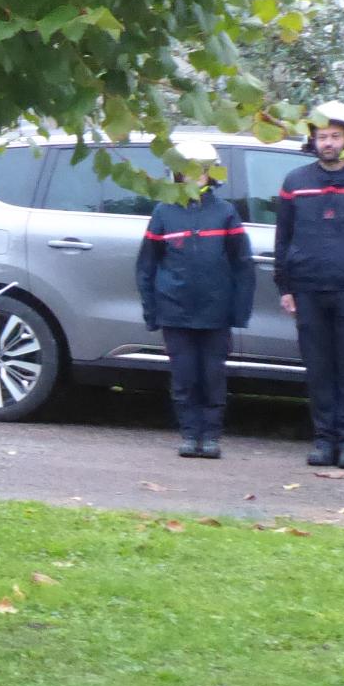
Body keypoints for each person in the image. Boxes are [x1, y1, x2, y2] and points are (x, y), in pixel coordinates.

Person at [135, 136, 255, 460]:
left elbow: (243, 266)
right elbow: (146, 266)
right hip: (175, 311)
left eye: (199, 171)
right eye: (185, 171)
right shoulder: (163, 212)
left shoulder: (226, 213)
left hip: (215, 313)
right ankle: (189, 434)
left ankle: (211, 435)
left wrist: (239, 311)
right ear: (175, 174)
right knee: (184, 376)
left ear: (210, 173)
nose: (192, 177)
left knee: (213, 376)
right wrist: (152, 311)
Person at [274, 100, 344, 469]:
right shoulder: (296, 182)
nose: (327, 143)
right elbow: (284, 237)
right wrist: (285, 286)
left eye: (335, 136)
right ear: (312, 140)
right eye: (321, 137)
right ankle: (323, 440)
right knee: (318, 369)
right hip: (308, 289)